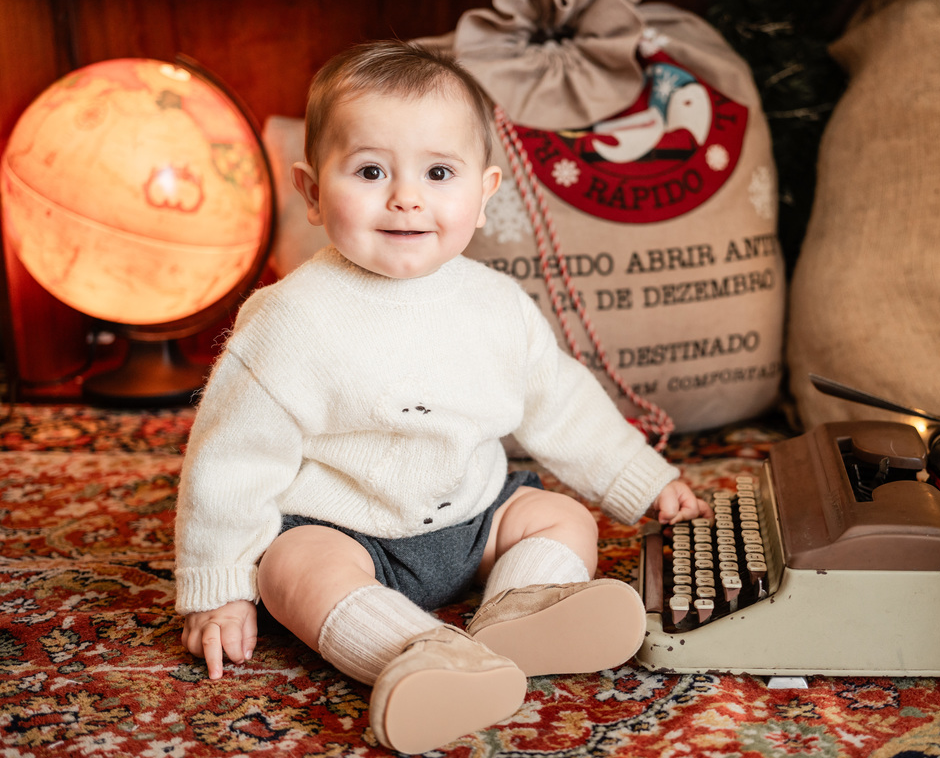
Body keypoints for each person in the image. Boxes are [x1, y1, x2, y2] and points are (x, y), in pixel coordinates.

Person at [174, 39, 711, 755]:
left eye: (438, 173)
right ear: (311, 191)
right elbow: (232, 460)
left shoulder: (498, 305)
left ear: (484, 194)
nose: (407, 197)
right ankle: (417, 652)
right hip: (346, 532)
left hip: (475, 517)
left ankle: (520, 610)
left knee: (560, 517)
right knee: (291, 569)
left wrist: (642, 479)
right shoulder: (289, 321)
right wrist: (217, 589)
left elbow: (560, 402)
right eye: (371, 171)